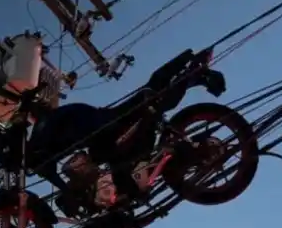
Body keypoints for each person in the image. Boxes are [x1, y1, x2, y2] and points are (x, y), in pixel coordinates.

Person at [24, 48, 226, 215]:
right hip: (108, 137)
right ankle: (189, 72)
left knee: (150, 101)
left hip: (100, 126)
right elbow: (116, 172)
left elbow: (49, 164)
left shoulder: (49, 131)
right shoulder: (97, 155)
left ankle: (191, 69)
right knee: (147, 113)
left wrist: (67, 191)